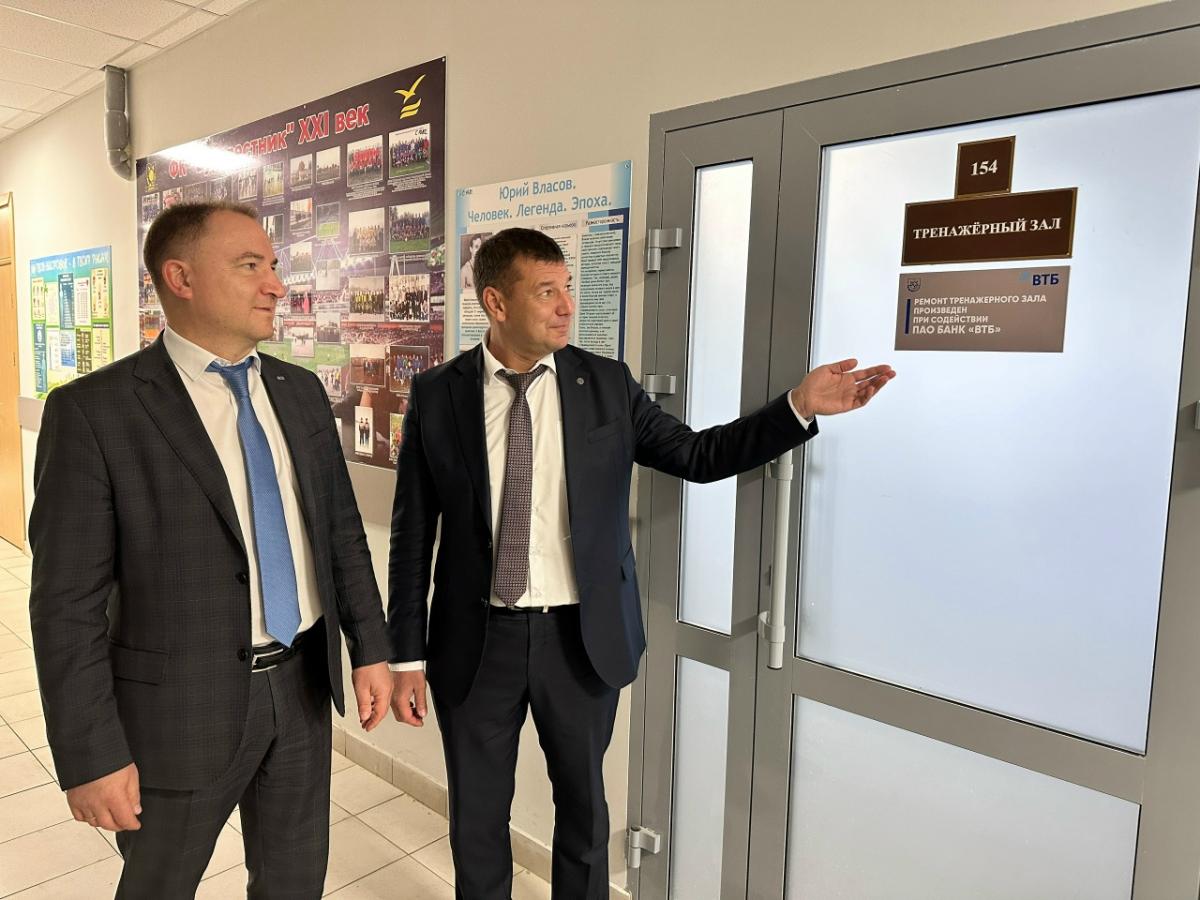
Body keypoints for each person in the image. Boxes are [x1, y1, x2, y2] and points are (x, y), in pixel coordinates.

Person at [387, 227, 894, 899]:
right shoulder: (437, 394)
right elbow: (412, 533)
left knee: (584, 815)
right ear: (496, 303)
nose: (567, 306)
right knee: (477, 819)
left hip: (580, 639)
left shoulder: (605, 384)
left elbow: (697, 456)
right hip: (477, 643)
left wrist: (797, 408)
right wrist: (404, 656)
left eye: (568, 288)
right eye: (546, 291)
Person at [28, 201, 393, 898]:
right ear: (182, 278)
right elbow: (65, 606)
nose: (276, 285)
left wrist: (371, 648)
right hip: (176, 709)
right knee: (160, 886)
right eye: (250, 266)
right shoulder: (97, 411)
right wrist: (90, 753)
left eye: (274, 266)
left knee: (294, 882)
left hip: (301, 689)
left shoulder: (300, 392)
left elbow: (341, 535)